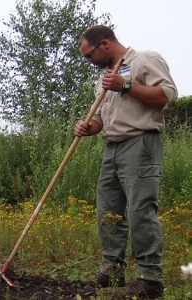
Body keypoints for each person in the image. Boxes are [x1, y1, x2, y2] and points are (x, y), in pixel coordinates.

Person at [74, 25, 176, 298]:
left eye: (89, 55)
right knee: (107, 211)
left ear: (104, 44)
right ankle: (112, 269)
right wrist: (88, 127)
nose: (89, 61)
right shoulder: (103, 79)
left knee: (140, 210)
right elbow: (100, 120)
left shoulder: (145, 60)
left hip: (140, 142)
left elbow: (167, 96)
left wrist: (126, 85)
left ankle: (149, 278)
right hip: (112, 147)